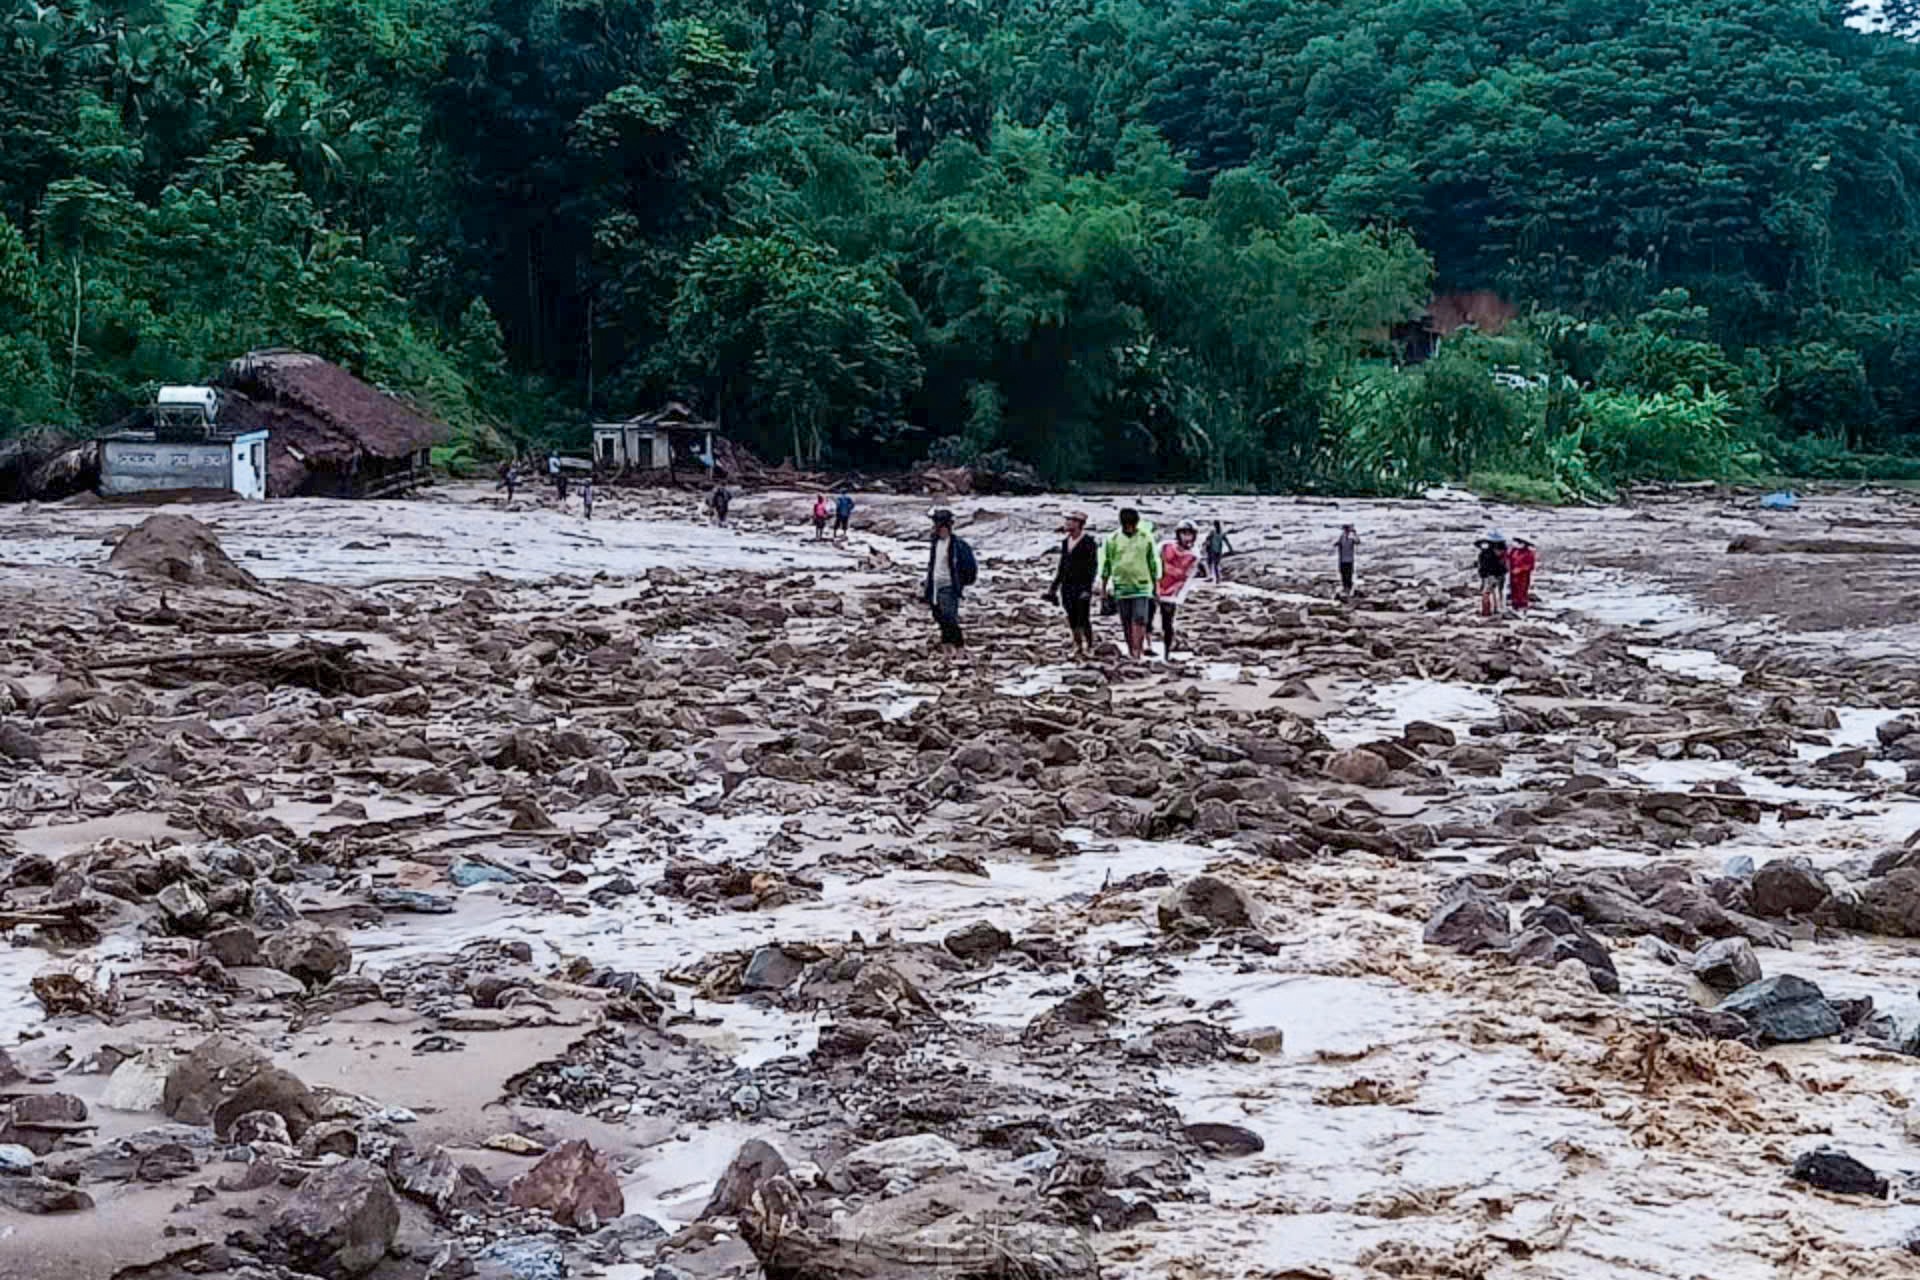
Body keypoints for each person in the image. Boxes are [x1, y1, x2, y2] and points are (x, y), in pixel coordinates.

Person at [1099, 507, 1161, 661]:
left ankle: (1137, 651)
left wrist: (1156, 585)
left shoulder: (1145, 537)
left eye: (1132, 525)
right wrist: (1103, 587)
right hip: (1121, 586)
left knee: (1140, 619)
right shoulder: (1112, 539)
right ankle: (1130, 649)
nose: (1130, 528)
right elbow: (1106, 563)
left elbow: (1153, 562)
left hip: (1142, 586)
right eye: (1127, 525)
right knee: (1126, 621)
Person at [1045, 510, 1098, 656]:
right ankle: (1077, 644)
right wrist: (1053, 588)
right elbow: (1062, 567)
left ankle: (1090, 645)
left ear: (1079, 524)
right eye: (1068, 520)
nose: (1068, 523)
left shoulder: (1088, 542)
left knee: (1084, 617)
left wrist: (1088, 588)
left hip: (1081, 585)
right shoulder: (1065, 542)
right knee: (1072, 616)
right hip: (1067, 585)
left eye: (1071, 520)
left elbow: (1092, 567)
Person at [922, 508, 977, 649]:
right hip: (934, 585)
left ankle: (959, 647)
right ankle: (947, 648)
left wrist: (962, 582)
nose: (940, 530)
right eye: (938, 527)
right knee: (938, 616)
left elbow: (970, 566)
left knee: (949, 617)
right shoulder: (935, 543)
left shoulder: (958, 545)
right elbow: (932, 564)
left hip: (949, 585)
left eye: (943, 527)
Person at [1153, 520, 1201, 655]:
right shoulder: (1165, 546)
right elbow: (1153, 562)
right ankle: (1147, 645)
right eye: (1184, 534)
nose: (1187, 538)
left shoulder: (1194, 555)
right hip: (1154, 586)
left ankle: (1166, 652)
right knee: (1147, 618)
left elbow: (1188, 577)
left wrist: (1179, 597)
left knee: (1167, 623)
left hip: (1172, 593)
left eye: (1190, 534)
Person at [1475, 531, 1509, 617]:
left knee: (1487, 592)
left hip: (1491, 575)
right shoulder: (1493, 552)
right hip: (1496, 574)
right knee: (1497, 592)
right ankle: (1496, 609)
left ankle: (1488, 611)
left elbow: (1488, 565)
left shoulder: (1488, 553)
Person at [1507, 537, 1536, 611]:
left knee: (1522, 590)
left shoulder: (1529, 553)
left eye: (1520, 543)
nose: (1518, 544)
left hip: (1523, 576)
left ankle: (1522, 605)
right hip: (1513, 574)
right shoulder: (1513, 551)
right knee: (1513, 589)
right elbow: (1508, 559)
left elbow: (1531, 565)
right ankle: (1514, 605)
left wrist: (1520, 569)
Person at [1335, 523, 1360, 596]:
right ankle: (1345, 589)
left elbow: (1358, 542)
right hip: (1342, 559)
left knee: (1349, 575)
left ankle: (1349, 590)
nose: (1345, 531)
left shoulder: (1351, 537)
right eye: (1345, 529)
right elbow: (1338, 543)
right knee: (1343, 575)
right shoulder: (1341, 537)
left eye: (1347, 529)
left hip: (1349, 559)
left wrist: (1355, 533)